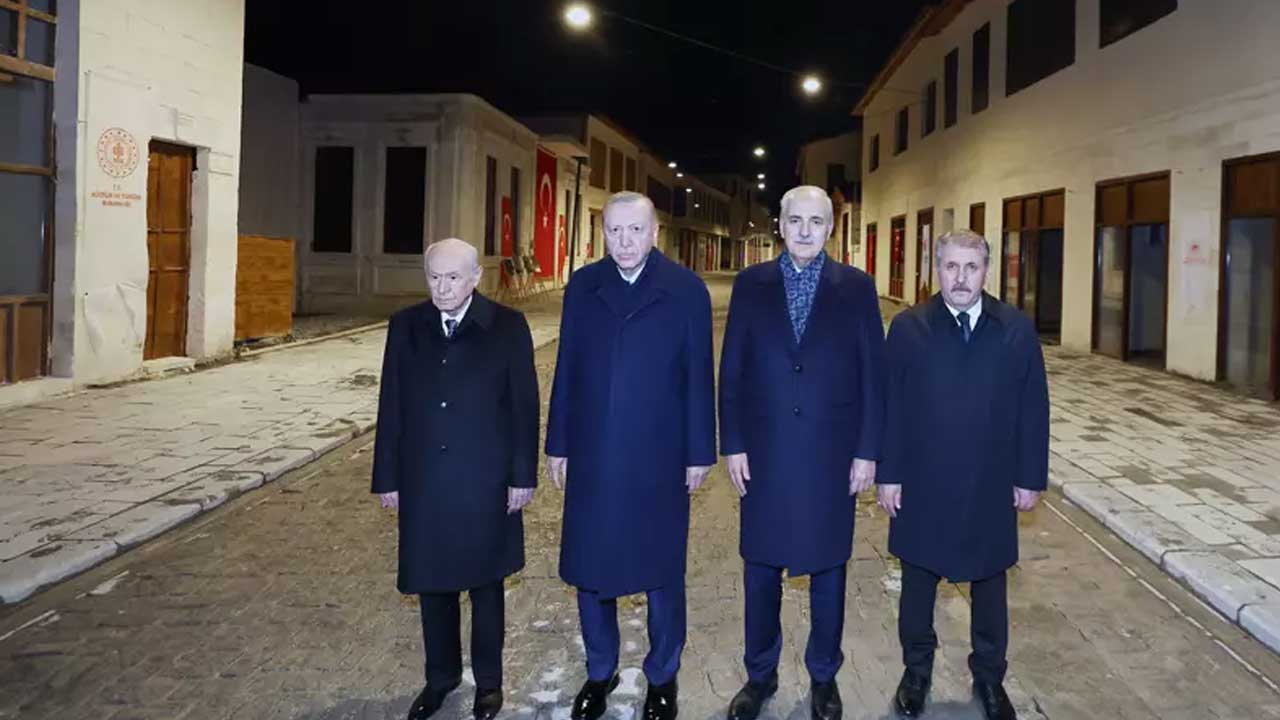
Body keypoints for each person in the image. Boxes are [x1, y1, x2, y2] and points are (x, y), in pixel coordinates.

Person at [545, 191, 716, 720]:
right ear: (603, 233)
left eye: (635, 231)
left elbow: (697, 375)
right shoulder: (584, 285)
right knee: (592, 565)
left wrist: (698, 451)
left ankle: (662, 675)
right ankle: (601, 670)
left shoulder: (685, 289)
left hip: (658, 452)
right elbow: (567, 363)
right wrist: (558, 442)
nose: (624, 242)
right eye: (614, 231)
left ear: (654, 233)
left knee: (661, 568)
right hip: (594, 449)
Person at [718, 185, 886, 720]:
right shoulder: (751, 284)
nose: (806, 230)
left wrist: (867, 451)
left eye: (817, 221)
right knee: (760, 569)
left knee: (828, 567)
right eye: (796, 220)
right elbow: (732, 370)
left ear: (831, 228)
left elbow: (873, 376)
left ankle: (823, 678)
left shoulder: (857, 288)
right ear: (781, 226)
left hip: (830, 454)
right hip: (764, 454)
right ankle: (759, 676)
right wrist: (734, 442)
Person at [876, 229, 1049, 720]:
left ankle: (990, 678)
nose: (960, 278)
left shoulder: (1014, 328)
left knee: (990, 584)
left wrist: (1030, 475)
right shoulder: (910, 327)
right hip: (924, 480)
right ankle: (916, 672)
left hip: (990, 481)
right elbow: (892, 405)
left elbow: (1033, 407)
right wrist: (889, 474)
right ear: (937, 270)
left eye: (971, 268)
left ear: (986, 271)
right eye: (951, 267)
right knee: (917, 582)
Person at [372, 238, 540, 720]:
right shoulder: (406, 327)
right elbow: (392, 404)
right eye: (433, 277)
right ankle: (440, 677)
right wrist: (389, 477)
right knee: (434, 584)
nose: (442, 288)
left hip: (485, 479)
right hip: (425, 478)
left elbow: (524, 408)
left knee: (487, 586)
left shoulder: (507, 327)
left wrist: (520, 477)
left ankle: (489, 683)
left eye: (452, 278)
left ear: (475, 278)